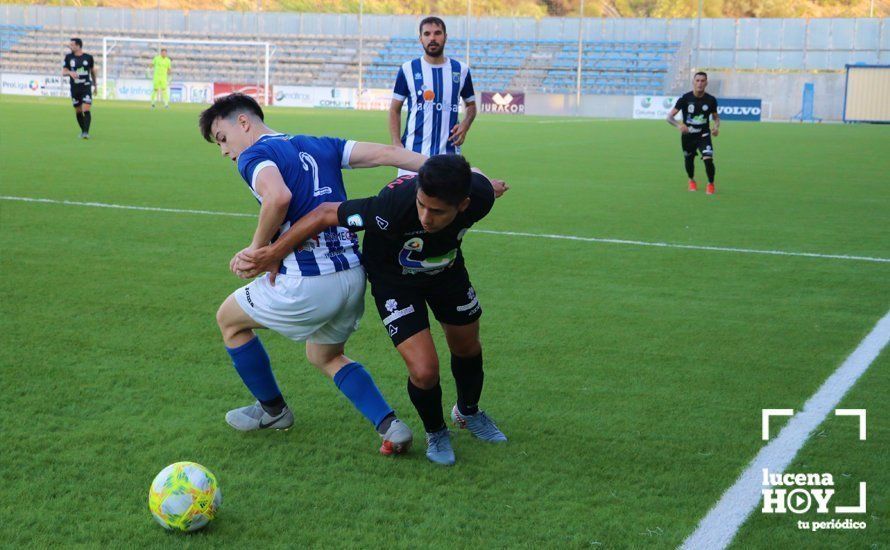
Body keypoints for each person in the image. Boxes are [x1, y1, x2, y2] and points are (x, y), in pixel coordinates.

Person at [236, 155, 510, 467]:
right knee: (424, 370)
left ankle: (468, 412)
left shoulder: (480, 197)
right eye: (422, 204)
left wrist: (490, 182)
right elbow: (325, 213)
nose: (425, 217)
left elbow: (476, 174)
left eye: (437, 211)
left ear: (463, 205)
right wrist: (273, 253)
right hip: (395, 282)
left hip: (446, 272)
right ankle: (436, 431)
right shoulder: (391, 207)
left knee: (467, 346)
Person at [198, 93, 429, 456]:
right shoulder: (319, 145)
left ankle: (273, 412)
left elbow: (277, 197)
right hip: (353, 277)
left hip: (308, 283)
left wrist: (259, 252)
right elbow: (389, 154)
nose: (224, 151)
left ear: (243, 122)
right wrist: (452, 170)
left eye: (222, 138)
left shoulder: (253, 155)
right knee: (325, 355)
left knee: (229, 321)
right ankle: (391, 426)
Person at [389, 17, 476, 177]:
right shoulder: (408, 69)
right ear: (420, 38)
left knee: (447, 201)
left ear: (445, 36)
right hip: (411, 155)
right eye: (427, 34)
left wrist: (465, 124)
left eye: (437, 33)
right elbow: (395, 109)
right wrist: (396, 143)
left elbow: (471, 105)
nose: (432, 38)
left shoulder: (461, 70)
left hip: (449, 156)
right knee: (408, 202)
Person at [667, 72, 720, 195]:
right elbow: (669, 117)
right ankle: (691, 180)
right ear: (693, 82)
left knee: (708, 159)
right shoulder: (685, 98)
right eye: (697, 80)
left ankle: (711, 183)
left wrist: (716, 127)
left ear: (706, 83)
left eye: (702, 81)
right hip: (688, 136)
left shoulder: (711, 100)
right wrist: (679, 125)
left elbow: (716, 117)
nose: (700, 83)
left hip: (704, 135)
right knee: (689, 160)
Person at [63, 38, 97, 139]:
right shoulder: (68, 57)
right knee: (78, 111)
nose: (70, 46)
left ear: (78, 46)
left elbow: (92, 72)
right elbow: (64, 71)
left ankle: (86, 132)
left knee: (86, 108)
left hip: (86, 86)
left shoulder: (88, 57)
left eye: (72, 45)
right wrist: (70, 72)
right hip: (75, 88)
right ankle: (83, 131)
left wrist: (95, 85)